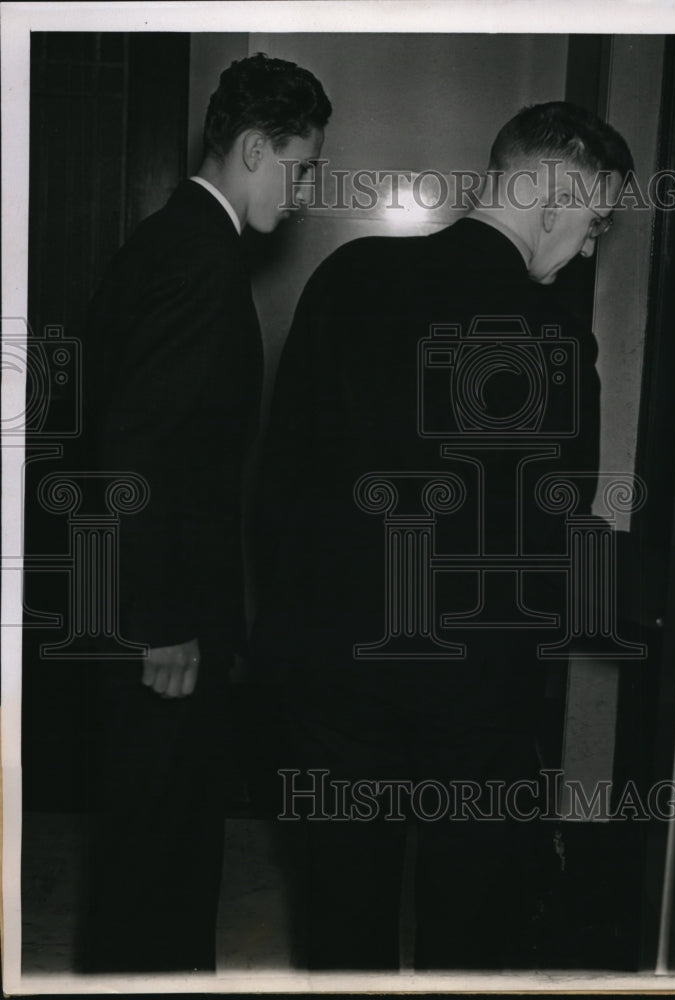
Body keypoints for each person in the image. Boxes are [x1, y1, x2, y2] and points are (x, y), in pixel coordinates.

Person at [249, 101, 633, 970]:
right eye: (592, 221)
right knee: (471, 927)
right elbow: (553, 535)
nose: (585, 247)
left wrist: (278, 640)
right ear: (552, 197)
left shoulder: (348, 277)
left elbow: (280, 483)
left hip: (329, 671)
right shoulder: (554, 337)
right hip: (477, 694)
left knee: (341, 912)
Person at [79, 52, 330, 973]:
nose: (302, 192)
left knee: (155, 853)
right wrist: (162, 626)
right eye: (301, 167)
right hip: (163, 632)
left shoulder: (168, 242)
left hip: (150, 616)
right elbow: (138, 455)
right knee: (159, 859)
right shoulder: (199, 261)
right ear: (256, 149)